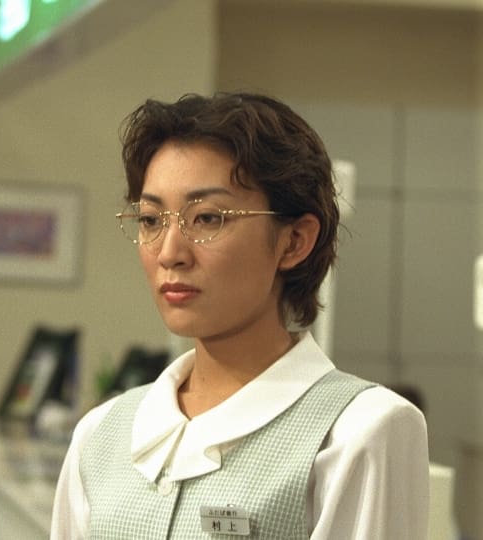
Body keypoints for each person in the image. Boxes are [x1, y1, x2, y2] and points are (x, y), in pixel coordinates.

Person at [50, 92, 428, 539]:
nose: (170, 252)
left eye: (207, 218)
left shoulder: (357, 432)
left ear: (294, 241)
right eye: (151, 220)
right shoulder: (102, 434)